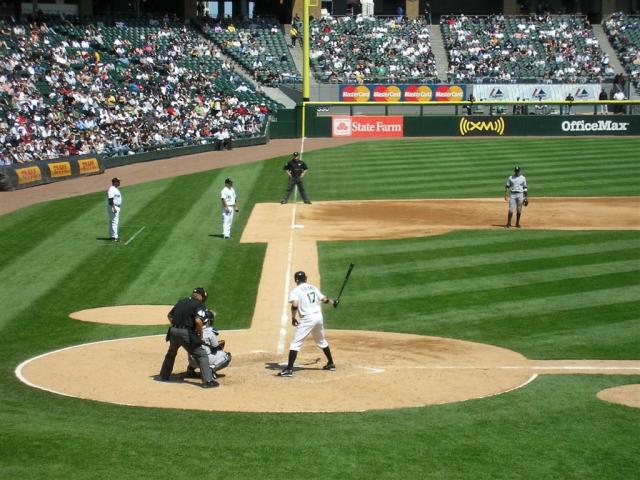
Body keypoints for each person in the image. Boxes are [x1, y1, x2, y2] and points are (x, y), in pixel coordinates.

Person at [279, 271, 337, 377]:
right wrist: (333, 302)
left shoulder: (295, 291)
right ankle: (331, 363)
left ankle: (289, 369)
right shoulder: (313, 288)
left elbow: (295, 306)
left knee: (295, 344)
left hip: (307, 319)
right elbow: (324, 299)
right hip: (318, 317)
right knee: (321, 341)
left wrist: (293, 317)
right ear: (305, 279)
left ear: (296, 280)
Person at [159, 287, 219, 388]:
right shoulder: (199, 304)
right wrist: (200, 333)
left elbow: (169, 315)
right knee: (201, 355)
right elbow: (198, 321)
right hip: (186, 333)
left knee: (171, 353)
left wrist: (176, 325)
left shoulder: (182, 301)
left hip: (173, 331)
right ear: (201, 296)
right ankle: (208, 381)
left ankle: (164, 375)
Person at [186, 309, 232, 379]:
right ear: (208, 321)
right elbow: (215, 346)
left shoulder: (191, 330)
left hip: (192, 361)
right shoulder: (209, 331)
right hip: (203, 361)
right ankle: (211, 369)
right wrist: (220, 345)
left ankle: (190, 369)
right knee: (227, 356)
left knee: (197, 350)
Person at [107, 177, 122, 242]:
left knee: (112, 222)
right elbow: (110, 199)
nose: (119, 183)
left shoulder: (115, 189)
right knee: (114, 222)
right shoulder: (111, 189)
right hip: (113, 206)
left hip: (115, 206)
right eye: (118, 181)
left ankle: (112, 236)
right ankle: (114, 237)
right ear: (115, 182)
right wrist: (114, 208)